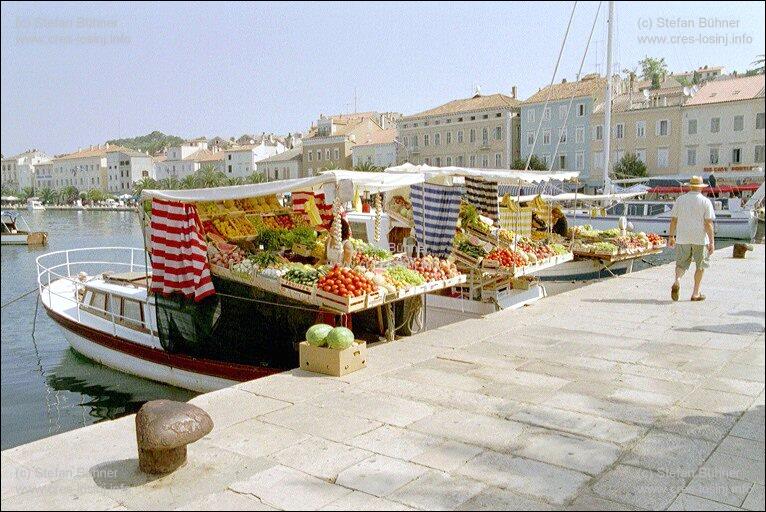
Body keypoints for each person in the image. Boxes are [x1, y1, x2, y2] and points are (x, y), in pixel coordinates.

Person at [668, 176, 715, 302]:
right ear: (700, 187)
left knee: (681, 264)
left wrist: (671, 236)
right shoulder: (705, 201)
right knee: (700, 266)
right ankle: (695, 293)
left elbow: (673, 220)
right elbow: (708, 223)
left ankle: (677, 280)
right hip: (700, 238)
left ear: (690, 186)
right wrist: (711, 241)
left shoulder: (680, 200)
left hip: (682, 237)